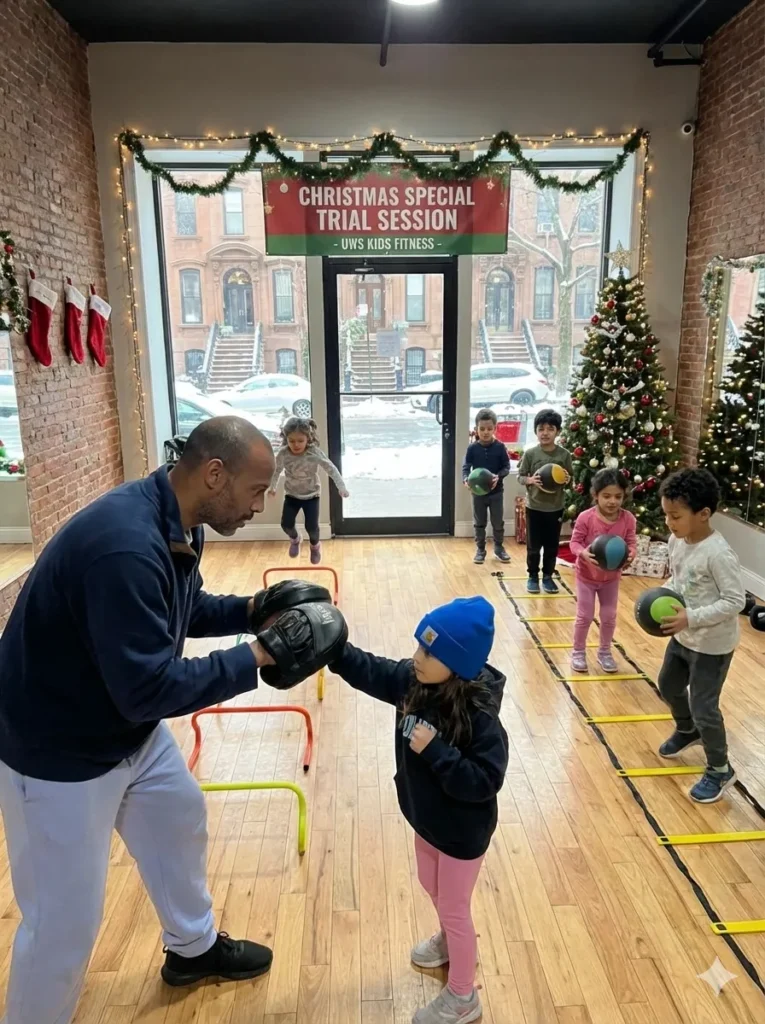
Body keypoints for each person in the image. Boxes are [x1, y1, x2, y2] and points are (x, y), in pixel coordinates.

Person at [0, 416, 346, 1024]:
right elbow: (148, 690)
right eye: (256, 490)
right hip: (57, 749)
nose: (262, 505)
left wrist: (252, 608)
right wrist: (259, 655)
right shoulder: (125, 548)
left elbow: (179, 610)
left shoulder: (178, 521)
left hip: (118, 724)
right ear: (215, 474)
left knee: (177, 818)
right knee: (63, 923)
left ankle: (192, 949)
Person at [331, 596, 508, 1024]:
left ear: (458, 662)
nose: (416, 658)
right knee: (431, 886)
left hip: (463, 833)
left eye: (428, 652)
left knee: (454, 906)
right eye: (418, 646)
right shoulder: (413, 681)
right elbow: (370, 670)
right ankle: (449, 941)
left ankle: (464, 997)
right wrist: (333, 650)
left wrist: (438, 753)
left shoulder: (479, 718)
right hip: (426, 819)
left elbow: (484, 781)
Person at [656, 467, 746, 803]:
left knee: (705, 706)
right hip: (683, 637)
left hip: (712, 645)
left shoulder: (719, 553)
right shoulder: (677, 540)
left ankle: (720, 769)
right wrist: (661, 595)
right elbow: (678, 581)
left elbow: (735, 601)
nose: (669, 523)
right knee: (667, 686)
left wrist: (690, 617)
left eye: (675, 516)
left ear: (704, 514)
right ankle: (686, 729)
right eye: (666, 514)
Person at [569, 468, 637, 674]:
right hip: (586, 577)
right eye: (606, 496)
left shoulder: (628, 519)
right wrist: (582, 554)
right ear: (595, 495)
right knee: (585, 615)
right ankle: (578, 651)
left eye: (618, 496)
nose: (612, 501)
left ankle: (605, 652)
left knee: (609, 616)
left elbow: (631, 543)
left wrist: (631, 554)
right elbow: (574, 543)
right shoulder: (585, 517)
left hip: (611, 579)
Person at [269, 415, 348, 564]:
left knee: (311, 528)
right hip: (292, 495)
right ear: (286, 439)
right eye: (291, 441)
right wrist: (272, 487)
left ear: (308, 438)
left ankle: (315, 546)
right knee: (286, 524)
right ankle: (295, 539)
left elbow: (331, 468)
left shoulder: (313, 452)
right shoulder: (284, 454)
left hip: (312, 496)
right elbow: (276, 470)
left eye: (300, 441)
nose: (296, 445)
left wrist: (341, 486)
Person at [517, 408, 573, 594]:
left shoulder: (564, 455)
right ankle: (533, 576)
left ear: (557, 431)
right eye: (541, 429)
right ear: (536, 432)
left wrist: (566, 478)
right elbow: (520, 477)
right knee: (533, 547)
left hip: (555, 508)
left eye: (550, 429)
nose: (545, 433)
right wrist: (530, 480)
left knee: (551, 546)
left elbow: (570, 478)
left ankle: (548, 576)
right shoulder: (531, 454)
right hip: (534, 507)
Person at [462, 408, 511, 565]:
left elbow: (506, 467)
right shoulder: (472, 448)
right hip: (478, 493)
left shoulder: (500, 447)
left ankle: (499, 548)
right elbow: (466, 466)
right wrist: (465, 479)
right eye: (482, 429)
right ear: (476, 429)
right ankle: (480, 550)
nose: (485, 432)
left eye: (489, 429)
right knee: (479, 522)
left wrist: (499, 476)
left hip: (496, 493)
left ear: (495, 429)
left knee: (498, 522)